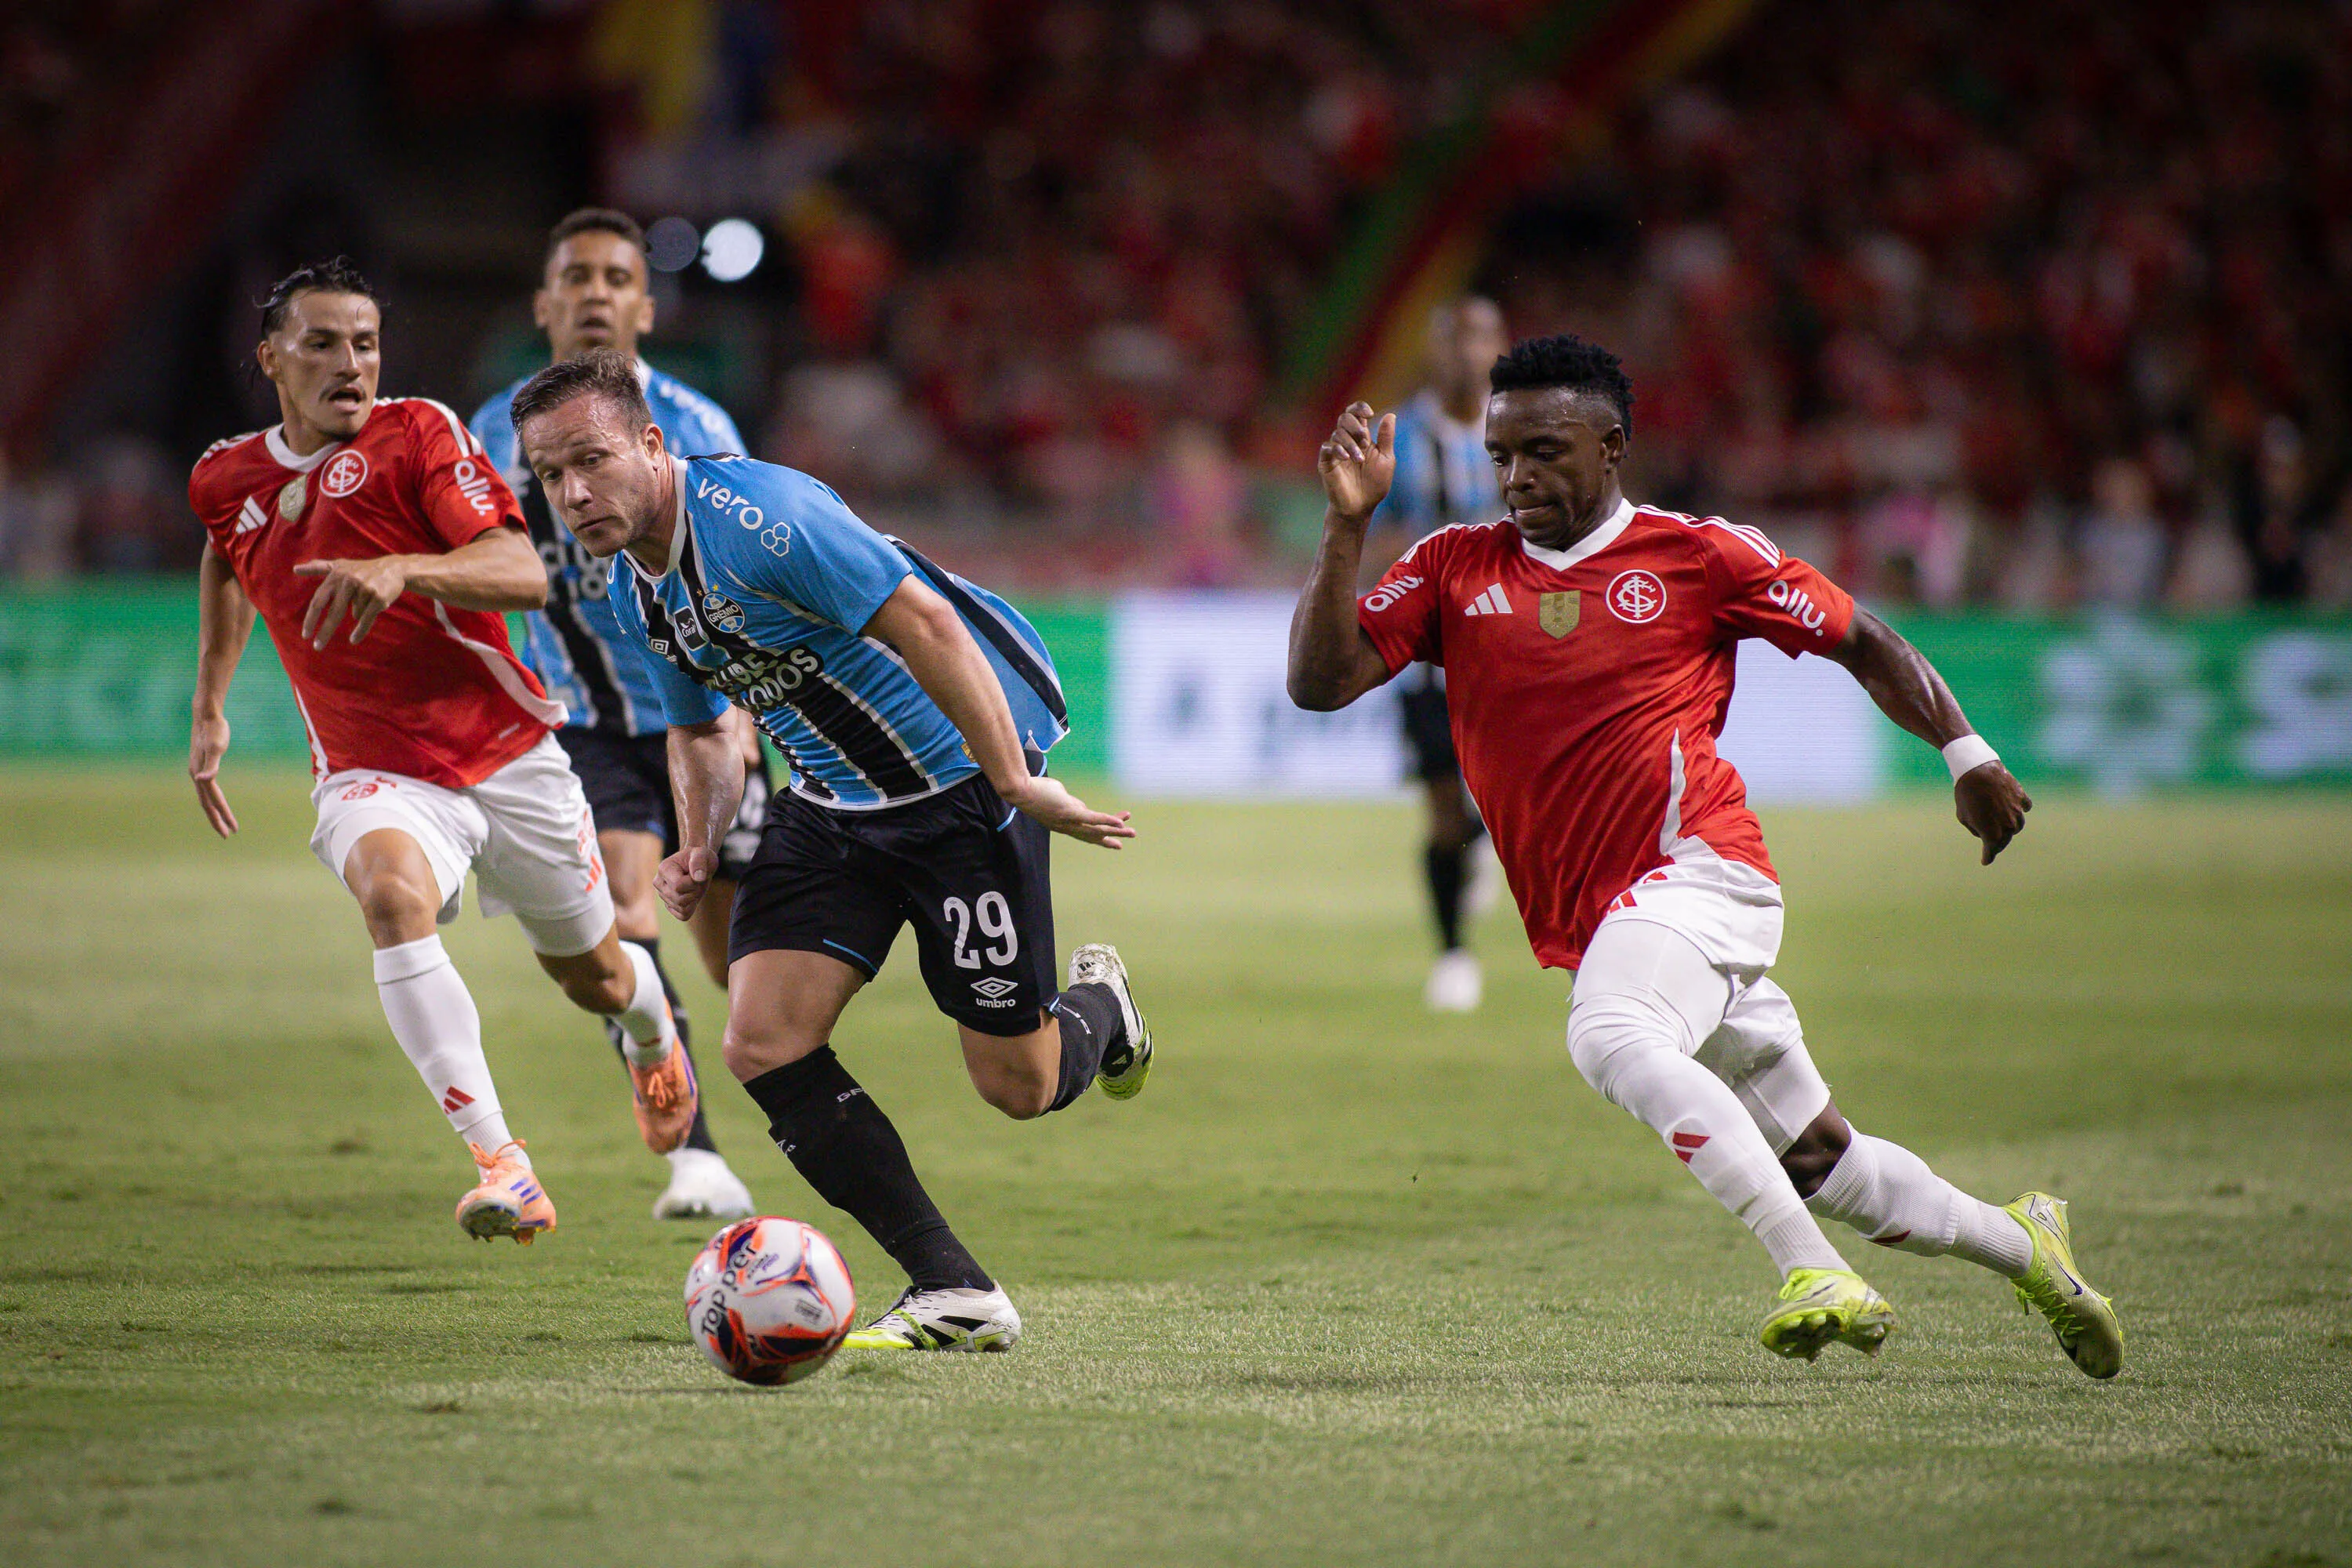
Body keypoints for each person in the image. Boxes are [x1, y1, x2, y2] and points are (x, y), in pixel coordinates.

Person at [1288, 332, 2125, 1376]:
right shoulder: (1456, 567)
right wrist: (1347, 521)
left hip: (1699, 873)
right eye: (1503, 454)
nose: (1516, 477)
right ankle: (2032, 1250)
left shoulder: (1699, 556)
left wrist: (1966, 753)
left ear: (1612, 447)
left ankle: (1809, 1269)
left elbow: (1861, 636)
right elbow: (1320, 683)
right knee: (1831, 1163)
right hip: (1614, 920)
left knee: (1610, 1035)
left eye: (1544, 451)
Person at [511, 349, 1154, 1352]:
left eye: (590, 459)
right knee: (761, 1039)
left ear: (651, 442)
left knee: (1017, 1085)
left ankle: (1102, 1007)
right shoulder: (633, 587)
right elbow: (702, 728)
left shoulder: (763, 519)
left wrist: (1014, 779)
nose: (573, 492)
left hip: (955, 790)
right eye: (549, 475)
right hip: (829, 806)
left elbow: (930, 620)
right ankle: (955, 1288)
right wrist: (699, 838)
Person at [187, 260, 701, 1247]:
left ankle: (651, 1032)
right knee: (389, 895)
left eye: (367, 343)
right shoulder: (225, 475)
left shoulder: (419, 432)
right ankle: (503, 1162)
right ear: (270, 359)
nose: (353, 364)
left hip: (505, 754)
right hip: (370, 767)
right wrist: (210, 700)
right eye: (324, 343)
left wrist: (401, 568)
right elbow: (226, 554)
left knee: (593, 974)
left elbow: (520, 570)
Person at [472, 208, 760, 1221]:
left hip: (710, 718)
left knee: (742, 974)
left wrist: (751, 723)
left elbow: (748, 582)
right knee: (627, 914)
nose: (596, 292)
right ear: (546, 305)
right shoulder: (484, 440)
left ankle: (761, 1096)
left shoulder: (698, 427)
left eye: (616, 277)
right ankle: (696, 1151)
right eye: (576, 276)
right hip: (585, 728)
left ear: (644, 303)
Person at [1366, 297, 1511, 1012]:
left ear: (1502, 347)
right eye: (1453, 337)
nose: (1466, 351)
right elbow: (1372, 544)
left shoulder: (1524, 430)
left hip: (1516, 654)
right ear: (1433, 350)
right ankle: (1454, 954)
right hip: (1430, 657)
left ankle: (1489, 838)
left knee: (1510, 796)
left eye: (1481, 337)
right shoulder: (1404, 437)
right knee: (1443, 810)